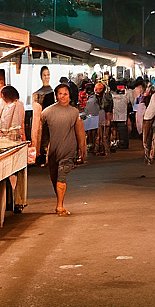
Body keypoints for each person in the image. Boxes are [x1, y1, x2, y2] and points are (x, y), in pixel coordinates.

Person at [40, 82, 87, 216]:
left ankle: (60, 206)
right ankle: (60, 201)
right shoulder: (47, 113)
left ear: (70, 97)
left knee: (62, 176)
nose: (62, 96)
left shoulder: (74, 113)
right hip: (53, 151)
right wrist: (42, 151)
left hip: (68, 150)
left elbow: (80, 134)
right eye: (60, 94)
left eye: (65, 94)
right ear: (56, 96)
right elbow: (43, 134)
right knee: (54, 178)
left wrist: (82, 151)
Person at [31, 66, 54, 164]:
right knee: (41, 136)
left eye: (48, 74)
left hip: (51, 119)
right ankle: (41, 156)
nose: (46, 77)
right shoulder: (37, 93)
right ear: (41, 76)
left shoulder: (52, 91)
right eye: (44, 75)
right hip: (41, 119)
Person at [80, 87, 102, 154]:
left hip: (91, 119)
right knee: (94, 133)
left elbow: (87, 112)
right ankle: (94, 146)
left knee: (91, 134)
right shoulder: (94, 99)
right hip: (95, 118)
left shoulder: (91, 100)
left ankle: (91, 146)